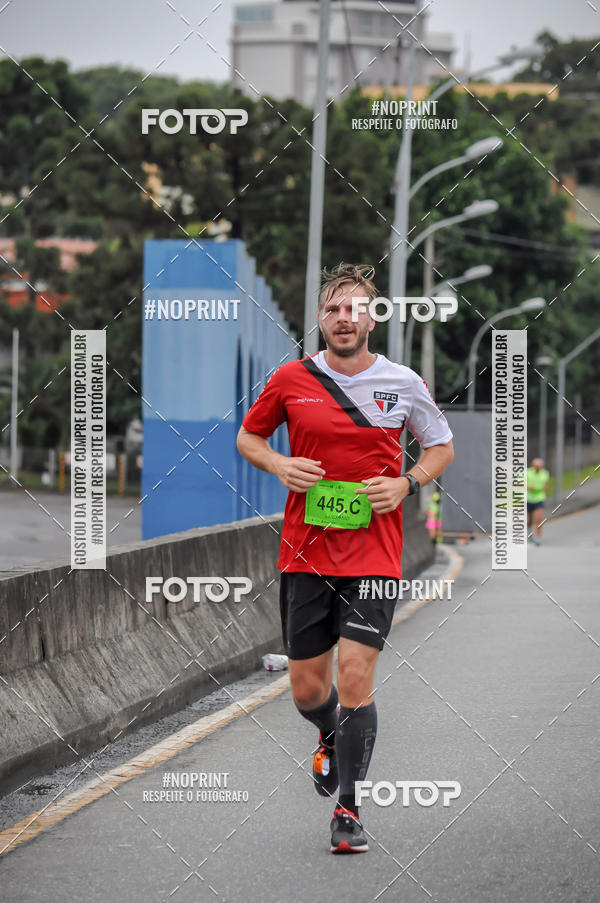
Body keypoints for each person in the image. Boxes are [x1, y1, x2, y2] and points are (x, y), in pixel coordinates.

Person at [236, 263, 454, 853]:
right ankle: (329, 733)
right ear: (320, 318)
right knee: (308, 691)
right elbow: (249, 437)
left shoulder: (402, 382)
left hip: (374, 556)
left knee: (355, 676)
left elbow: (440, 445)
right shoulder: (292, 379)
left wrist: (407, 483)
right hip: (305, 555)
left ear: (372, 317)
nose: (344, 318)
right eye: (333, 308)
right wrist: (279, 464)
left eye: (355, 308)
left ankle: (349, 810)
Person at [527, 457, 550, 545]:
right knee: (529, 520)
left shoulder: (545, 473)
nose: (538, 468)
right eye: (536, 466)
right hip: (528, 499)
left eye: (539, 466)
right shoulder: (527, 472)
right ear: (533, 466)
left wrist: (544, 487)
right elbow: (518, 482)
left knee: (539, 519)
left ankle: (538, 538)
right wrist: (528, 487)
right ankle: (530, 534)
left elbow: (546, 484)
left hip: (539, 499)